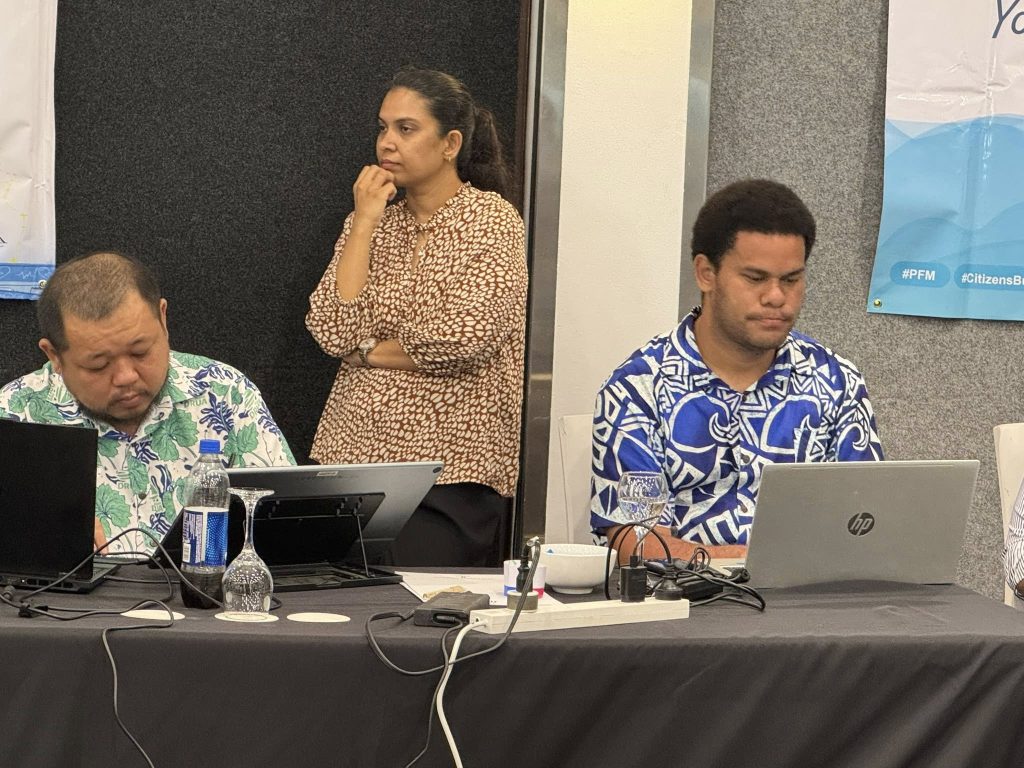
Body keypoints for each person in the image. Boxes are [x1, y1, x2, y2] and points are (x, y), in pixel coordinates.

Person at [590, 179, 884, 562]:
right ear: (705, 273)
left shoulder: (836, 382)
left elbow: (865, 521)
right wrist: (750, 563)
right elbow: (637, 540)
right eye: (755, 278)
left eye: (791, 280)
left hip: (809, 593)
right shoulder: (638, 388)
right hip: (685, 594)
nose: (776, 297)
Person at [306, 67, 527, 567]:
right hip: (350, 459)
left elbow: (465, 339)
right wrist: (365, 220)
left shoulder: (491, 220)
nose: (387, 142)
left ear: (450, 143)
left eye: (406, 129)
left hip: (449, 472)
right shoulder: (370, 222)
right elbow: (331, 329)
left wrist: (366, 352)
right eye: (383, 128)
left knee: (416, 604)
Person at [0, 251, 296, 557]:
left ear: (163, 318)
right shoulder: (14, 416)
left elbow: (289, 521)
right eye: (98, 365)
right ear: (54, 355)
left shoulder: (226, 393)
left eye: (140, 352)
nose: (126, 377)